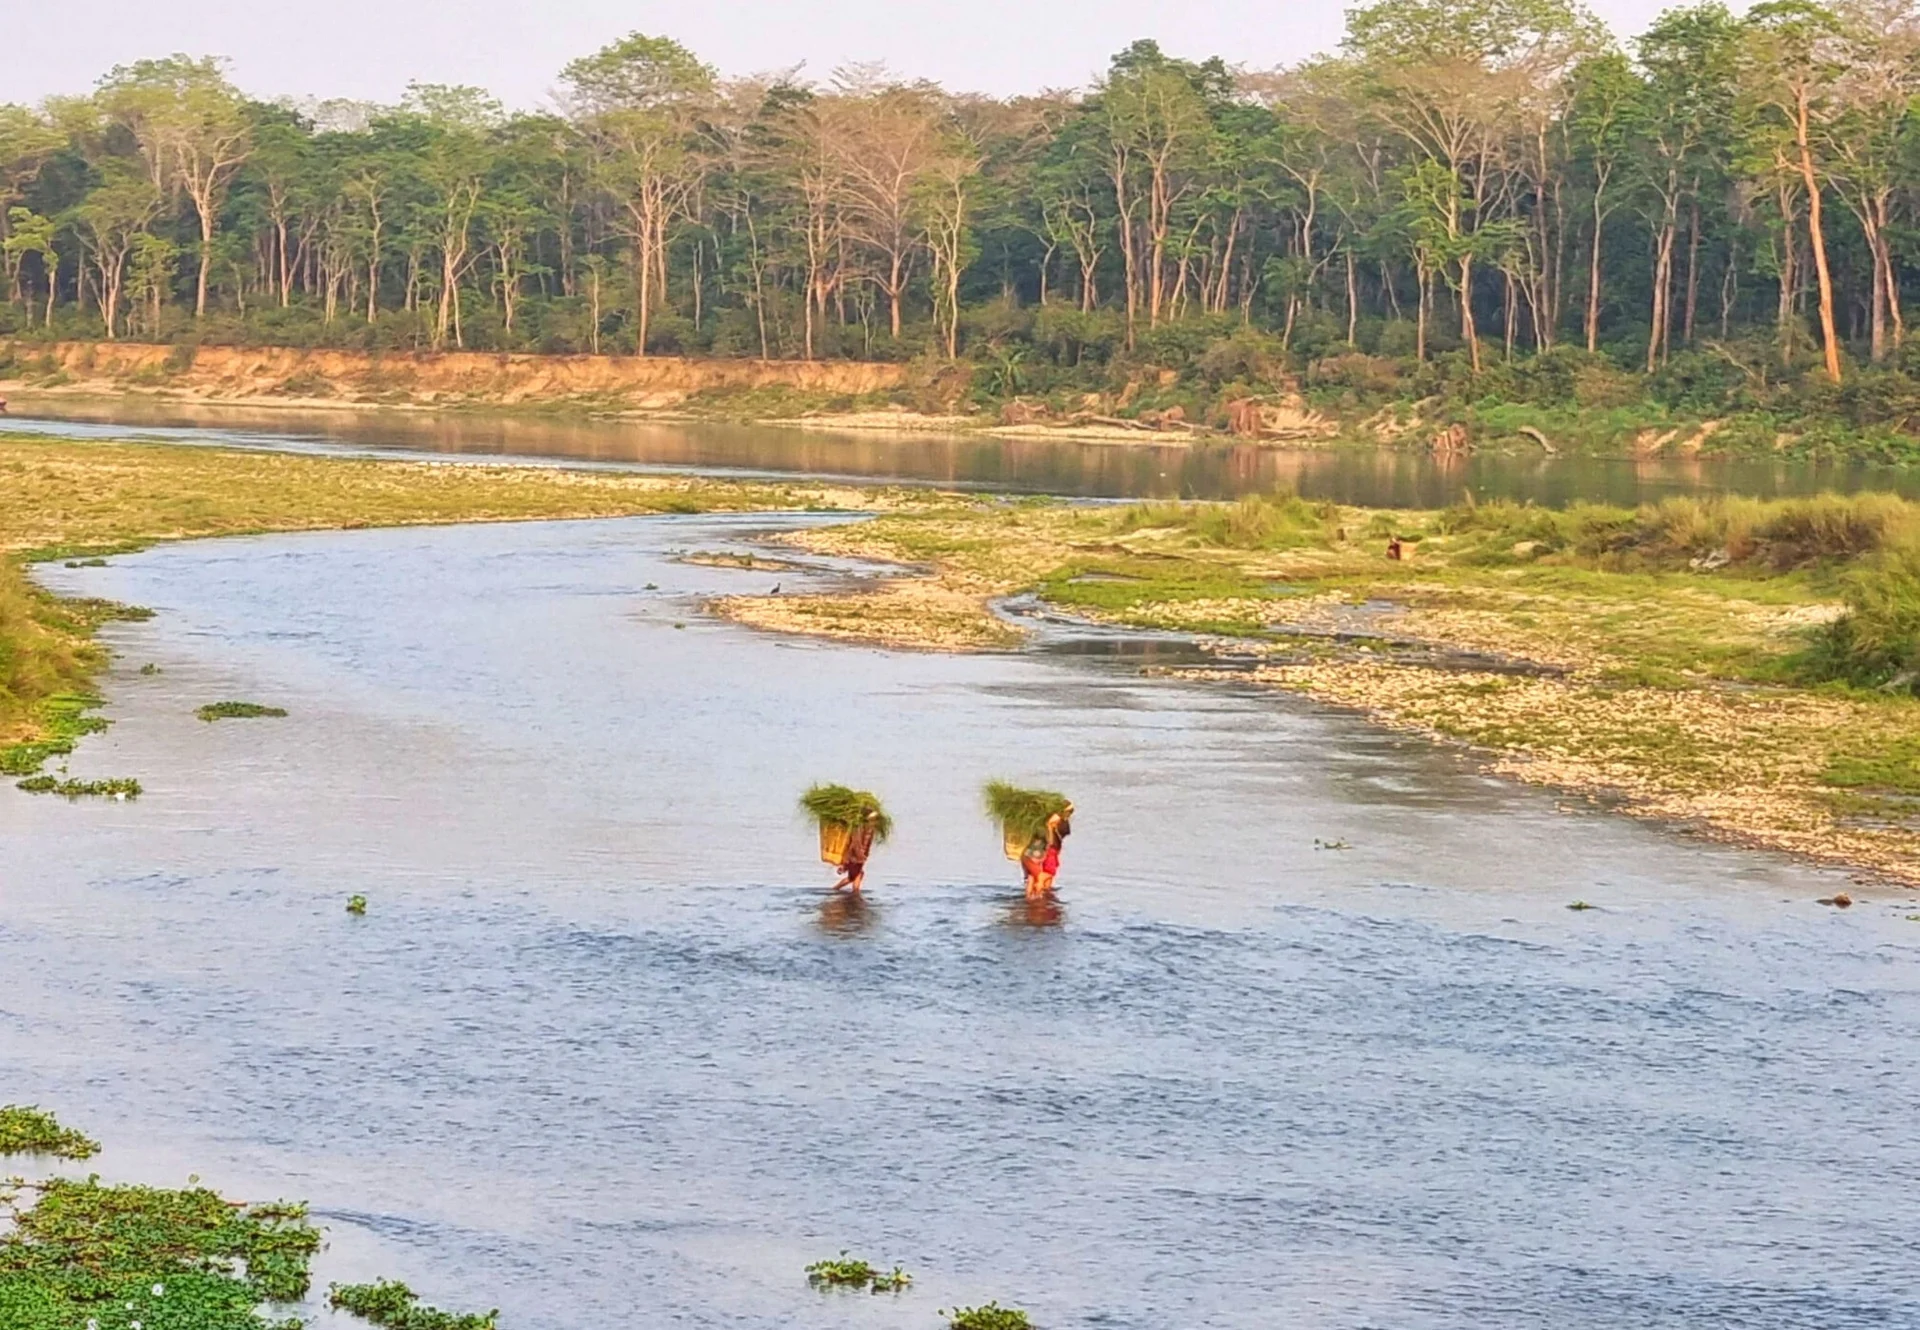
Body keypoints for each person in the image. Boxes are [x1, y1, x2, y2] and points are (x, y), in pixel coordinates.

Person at [831, 809, 880, 894]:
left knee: (855, 876)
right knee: (856, 876)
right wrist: (857, 857)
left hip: (859, 856)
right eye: (873, 819)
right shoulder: (860, 828)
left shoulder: (869, 828)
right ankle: (853, 894)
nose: (874, 821)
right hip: (856, 856)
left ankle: (838, 890)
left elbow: (865, 843)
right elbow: (855, 843)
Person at [1035, 802, 1073, 897]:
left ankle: (1045, 895)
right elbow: (1050, 828)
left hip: (1053, 849)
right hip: (1051, 849)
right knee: (1049, 872)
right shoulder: (1055, 819)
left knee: (1050, 876)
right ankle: (1038, 889)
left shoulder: (1061, 819)